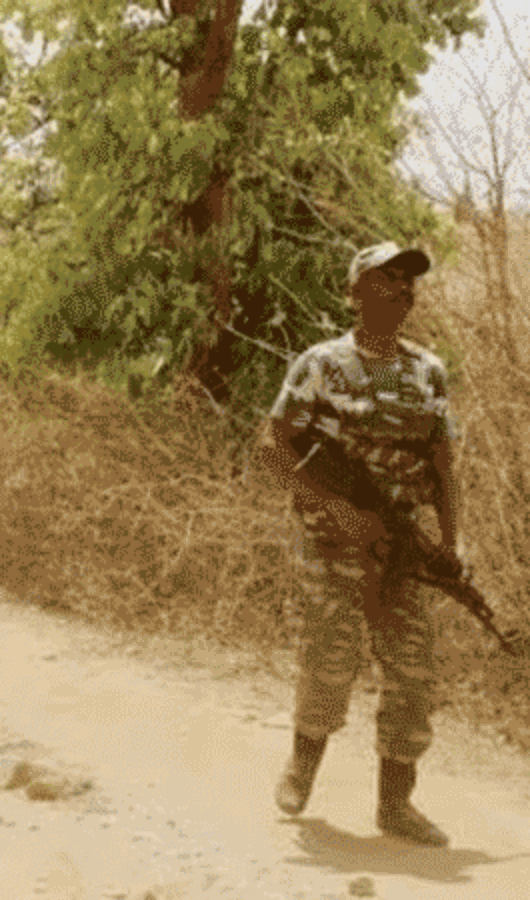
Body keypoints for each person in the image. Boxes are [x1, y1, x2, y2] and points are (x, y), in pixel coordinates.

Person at [253, 241, 462, 848]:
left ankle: (395, 805)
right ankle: (302, 768)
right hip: (331, 546)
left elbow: (443, 467)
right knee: (329, 661)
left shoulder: (428, 372)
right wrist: (337, 511)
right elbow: (274, 447)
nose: (400, 290)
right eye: (385, 279)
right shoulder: (321, 364)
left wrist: (452, 543)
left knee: (415, 674)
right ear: (355, 293)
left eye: (407, 281)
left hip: (399, 550)